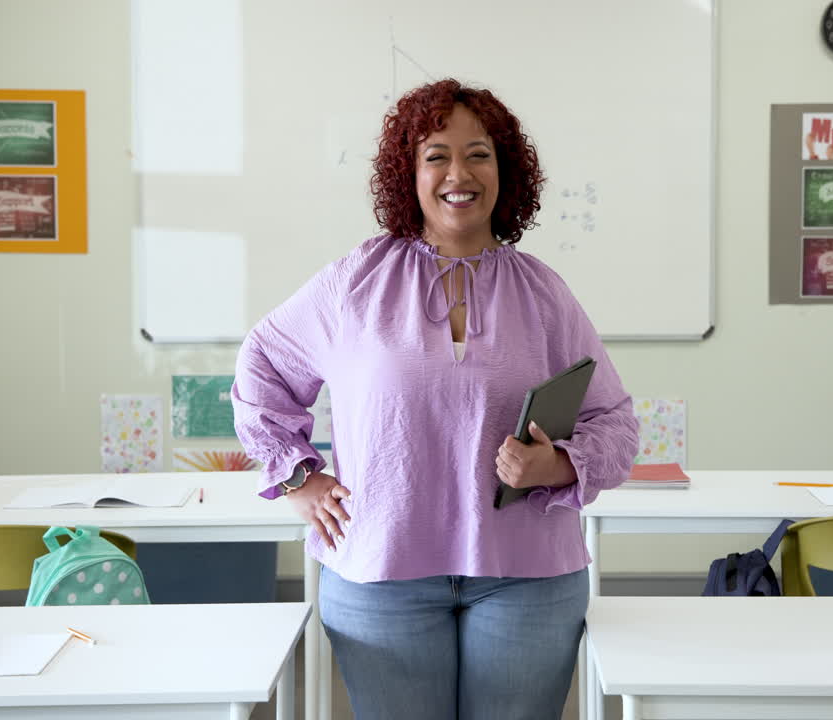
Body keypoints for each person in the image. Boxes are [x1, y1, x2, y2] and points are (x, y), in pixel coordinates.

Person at [232, 78, 639, 720]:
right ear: (409, 172)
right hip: (379, 573)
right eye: (436, 155)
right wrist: (297, 478)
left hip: (527, 578)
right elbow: (262, 363)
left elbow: (613, 422)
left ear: (505, 170)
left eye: (479, 154)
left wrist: (558, 464)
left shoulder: (544, 293)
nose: (459, 174)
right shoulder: (354, 284)